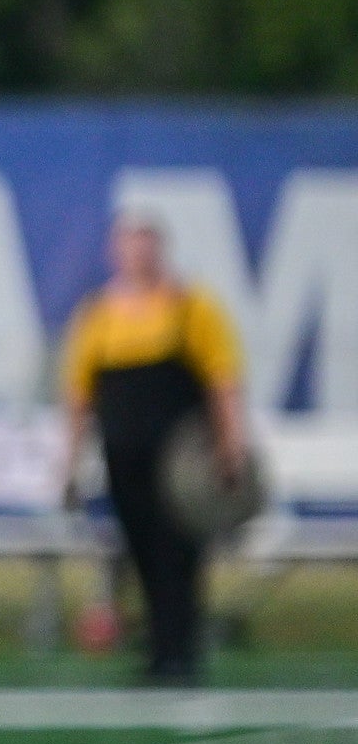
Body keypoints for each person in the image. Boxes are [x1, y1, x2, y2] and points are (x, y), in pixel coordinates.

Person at [56, 214, 251, 686]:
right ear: (114, 252)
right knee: (140, 549)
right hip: (123, 453)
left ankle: (181, 649)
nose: (137, 254)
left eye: (146, 244)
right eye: (128, 244)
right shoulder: (98, 315)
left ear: (161, 250)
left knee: (180, 550)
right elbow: (79, 395)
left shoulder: (191, 307)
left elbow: (222, 381)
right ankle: (159, 651)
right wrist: (69, 459)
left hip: (181, 459)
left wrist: (231, 443)